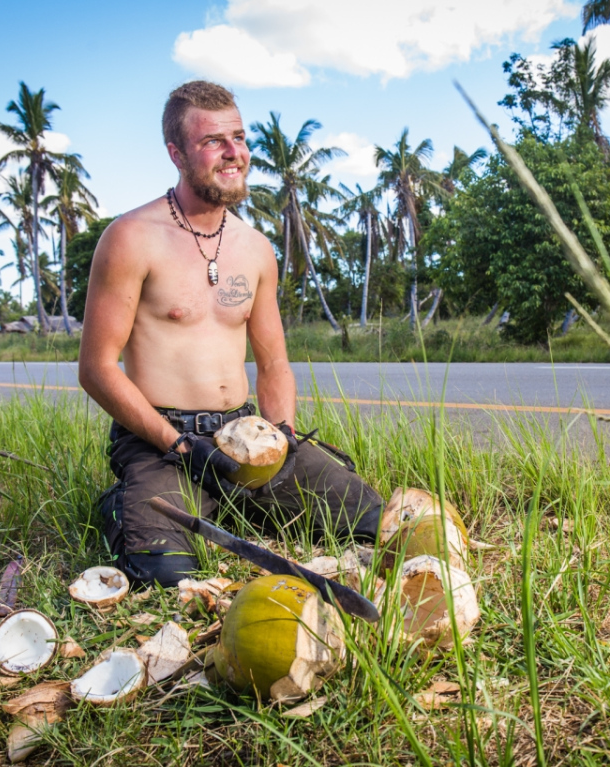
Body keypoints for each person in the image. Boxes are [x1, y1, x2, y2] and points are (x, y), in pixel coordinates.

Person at [78, 81, 382, 587]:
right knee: (167, 576)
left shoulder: (256, 247)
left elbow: (274, 365)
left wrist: (279, 436)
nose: (234, 153)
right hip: (160, 439)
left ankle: (239, 498)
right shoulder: (131, 237)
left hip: (244, 434)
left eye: (239, 137)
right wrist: (179, 445)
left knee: (370, 522)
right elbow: (97, 370)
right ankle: (124, 504)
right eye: (213, 141)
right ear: (176, 153)